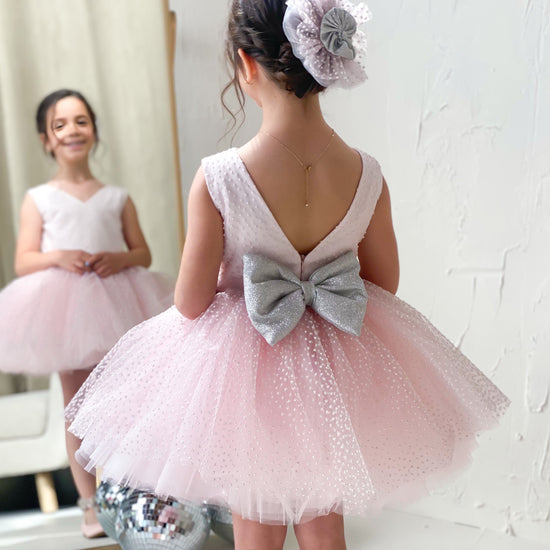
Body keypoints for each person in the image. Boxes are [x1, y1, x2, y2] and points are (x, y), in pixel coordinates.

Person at [66, 1, 509, 549]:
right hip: (334, 370)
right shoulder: (367, 173)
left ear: (246, 63)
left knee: (257, 526)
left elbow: (191, 302)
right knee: (324, 525)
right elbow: (384, 284)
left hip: (245, 376)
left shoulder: (220, 178)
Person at [0, 89, 174, 538]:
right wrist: (58, 256)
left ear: (94, 130)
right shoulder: (39, 198)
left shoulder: (116, 197)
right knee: (75, 405)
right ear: (46, 139)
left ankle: (130, 493)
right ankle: (89, 505)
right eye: (59, 125)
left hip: (117, 303)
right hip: (65, 311)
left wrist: (120, 259)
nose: (72, 131)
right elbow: (23, 260)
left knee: (125, 401)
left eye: (81, 121)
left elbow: (142, 252)